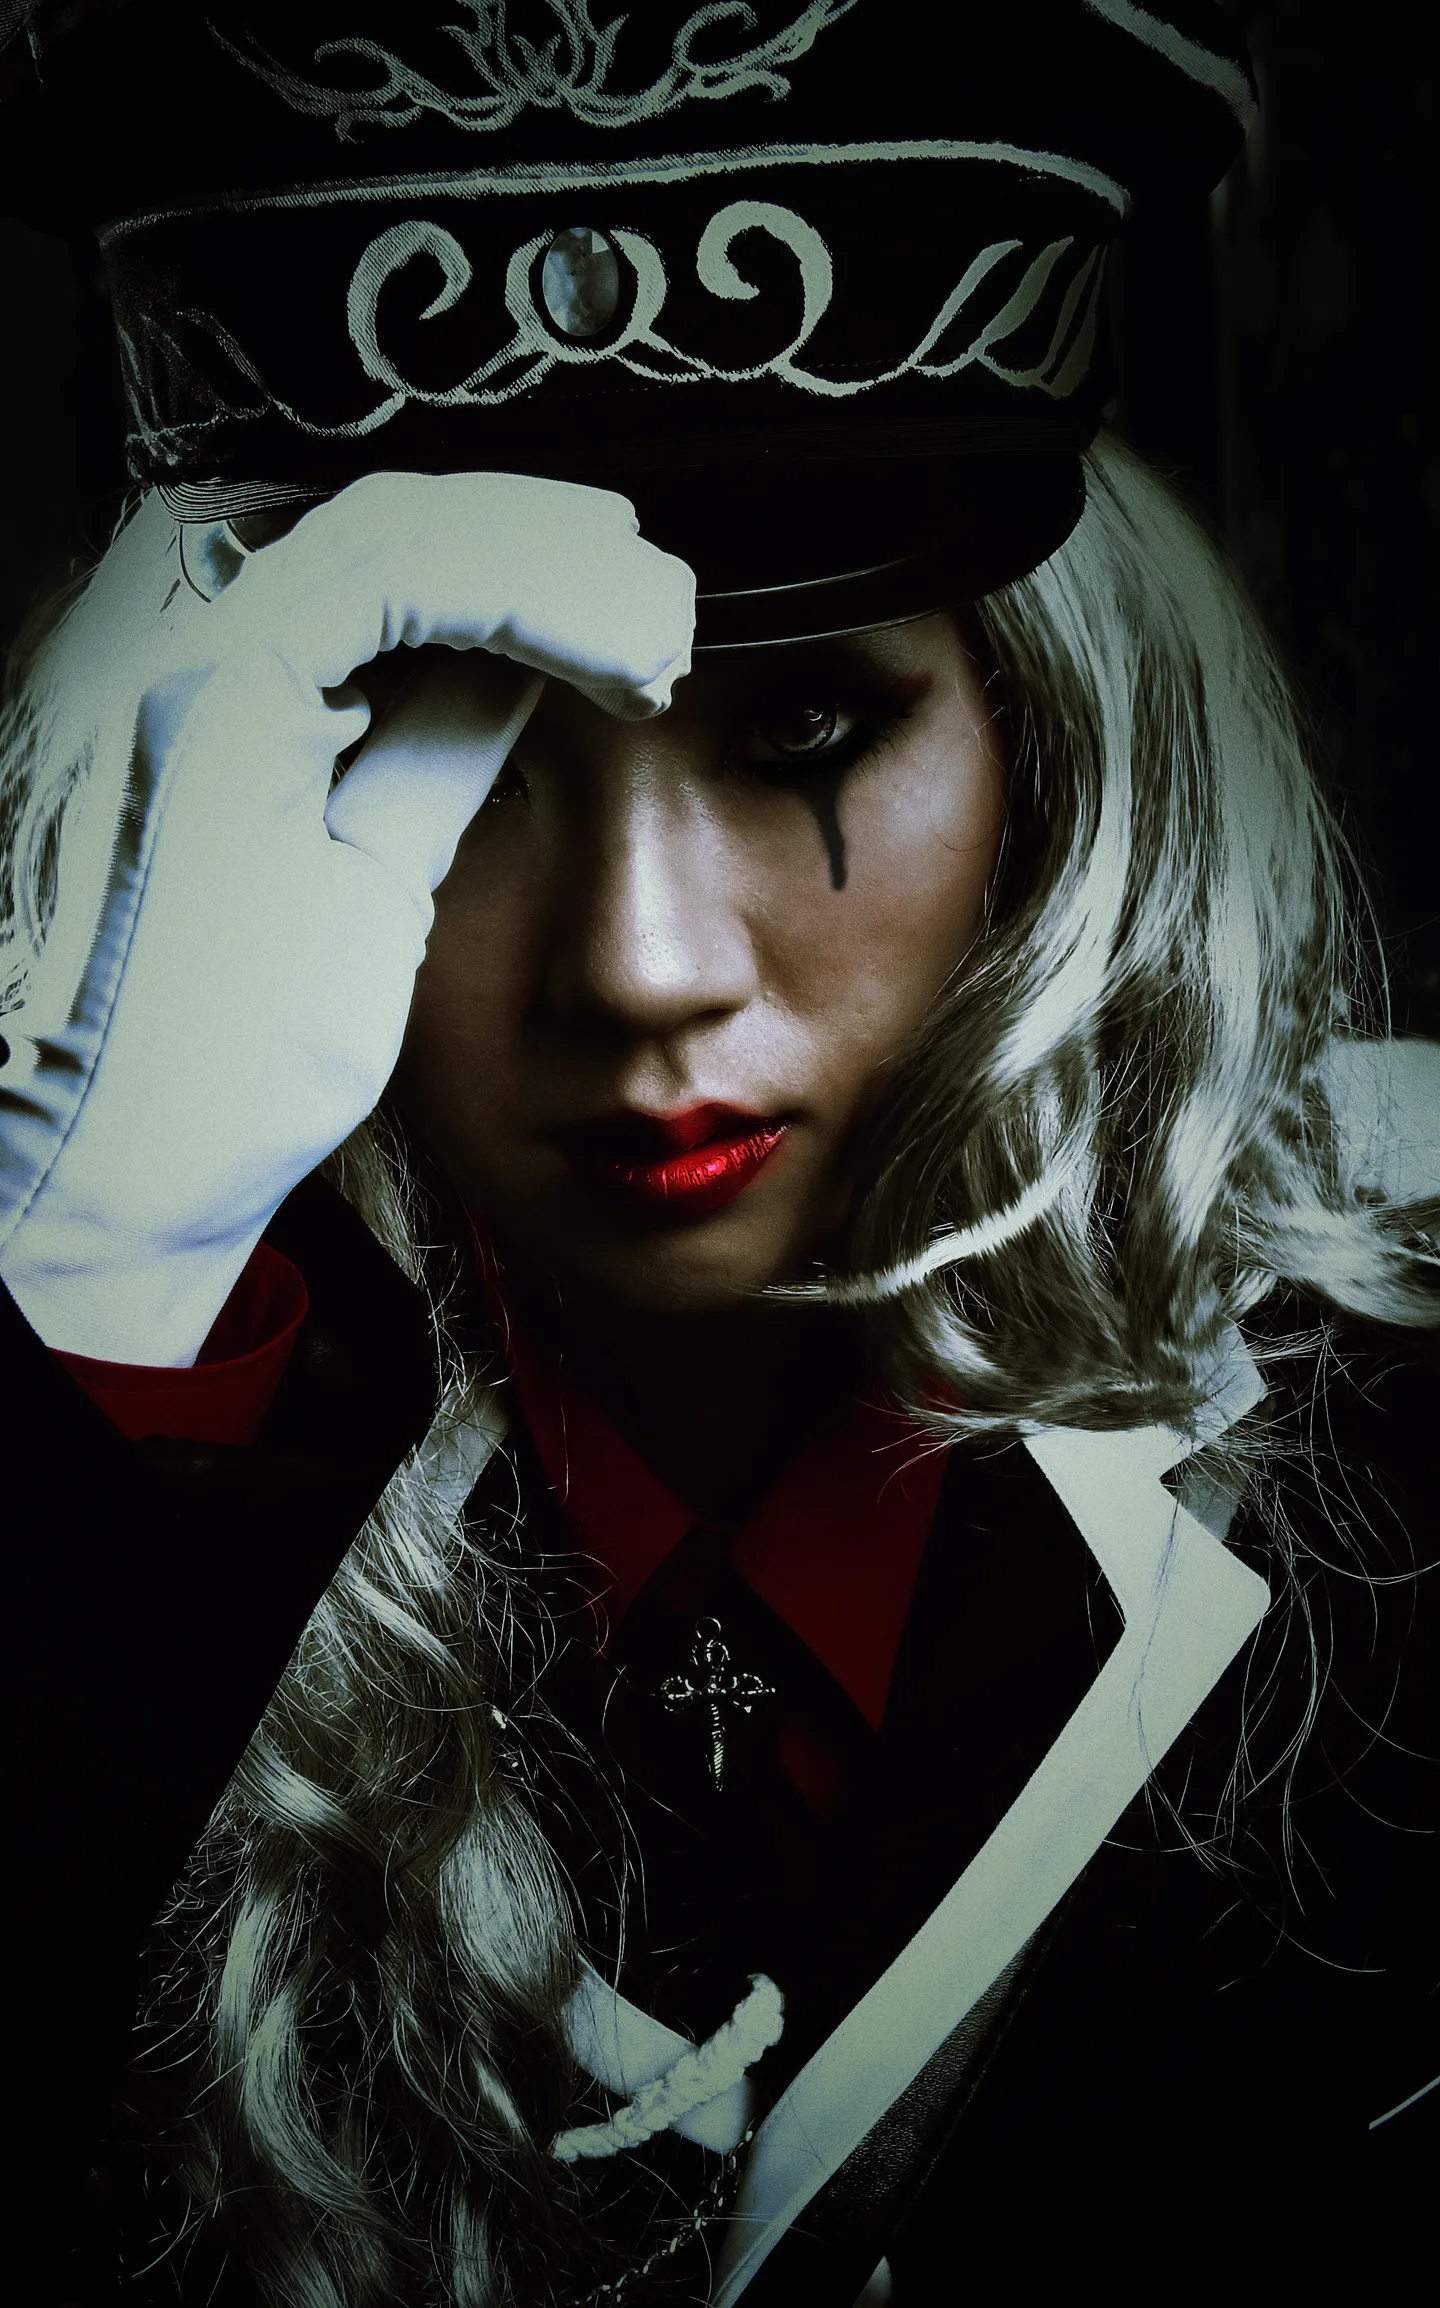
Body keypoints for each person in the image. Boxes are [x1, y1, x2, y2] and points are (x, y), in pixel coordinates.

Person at [1, 4, 1436, 2305]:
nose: (646, 965)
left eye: (806, 722)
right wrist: (87, 1304)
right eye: (449, 756)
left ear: (1056, 744)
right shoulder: (84, 1422)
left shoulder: (1410, 1369)